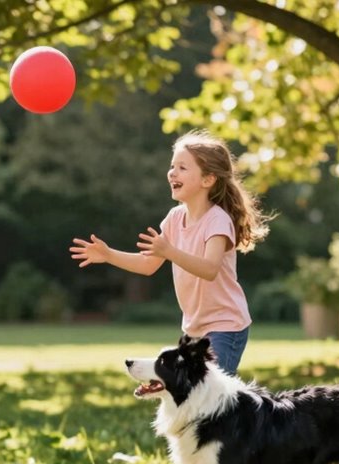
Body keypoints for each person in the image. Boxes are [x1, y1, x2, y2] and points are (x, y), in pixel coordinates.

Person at [70, 130, 269, 376]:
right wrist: (109, 254)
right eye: (172, 166)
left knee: (209, 399)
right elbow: (148, 265)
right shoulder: (175, 218)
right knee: (190, 396)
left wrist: (170, 251)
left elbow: (209, 269)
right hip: (194, 329)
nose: (172, 172)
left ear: (208, 179)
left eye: (183, 168)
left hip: (225, 326)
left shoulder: (217, 220)